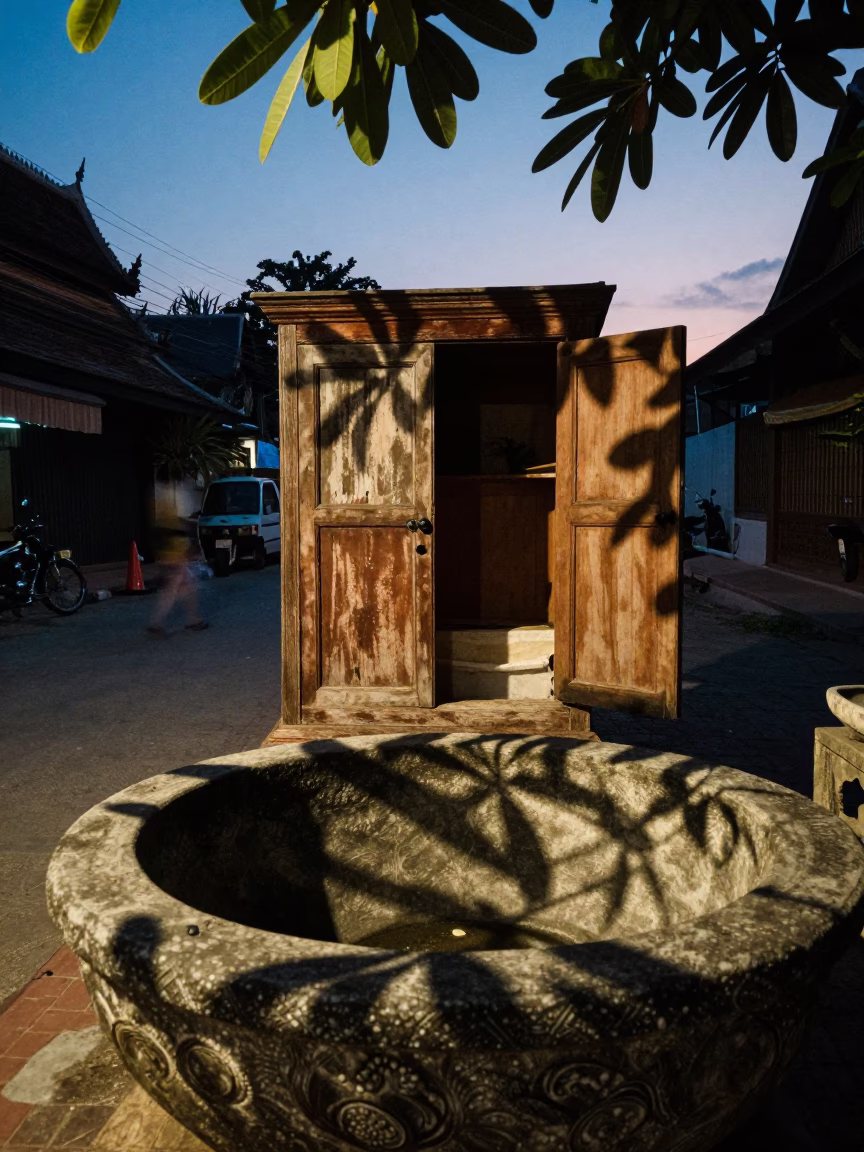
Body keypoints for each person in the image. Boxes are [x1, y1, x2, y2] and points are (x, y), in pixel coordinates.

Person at [147, 494, 208, 634]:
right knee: (173, 591)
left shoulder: (163, 515)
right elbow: (177, 535)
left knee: (185, 589)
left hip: (170, 558)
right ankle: (157, 621)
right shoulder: (170, 517)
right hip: (175, 559)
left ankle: (193, 620)